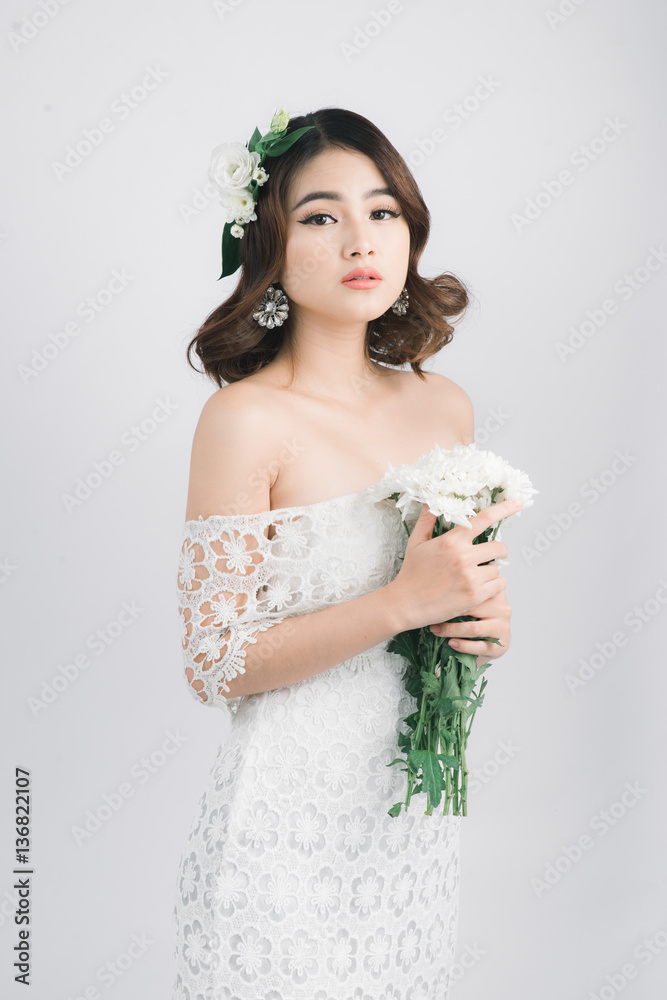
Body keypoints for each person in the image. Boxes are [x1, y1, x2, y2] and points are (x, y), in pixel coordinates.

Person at [171, 106, 519, 1000]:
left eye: (383, 211)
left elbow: (448, 589)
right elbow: (214, 662)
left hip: (405, 823)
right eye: (321, 216)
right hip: (280, 835)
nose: (359, 238)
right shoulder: (246, 420)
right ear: (272, 246)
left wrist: (477, 619)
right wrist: (401, 602)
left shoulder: (442, 406)